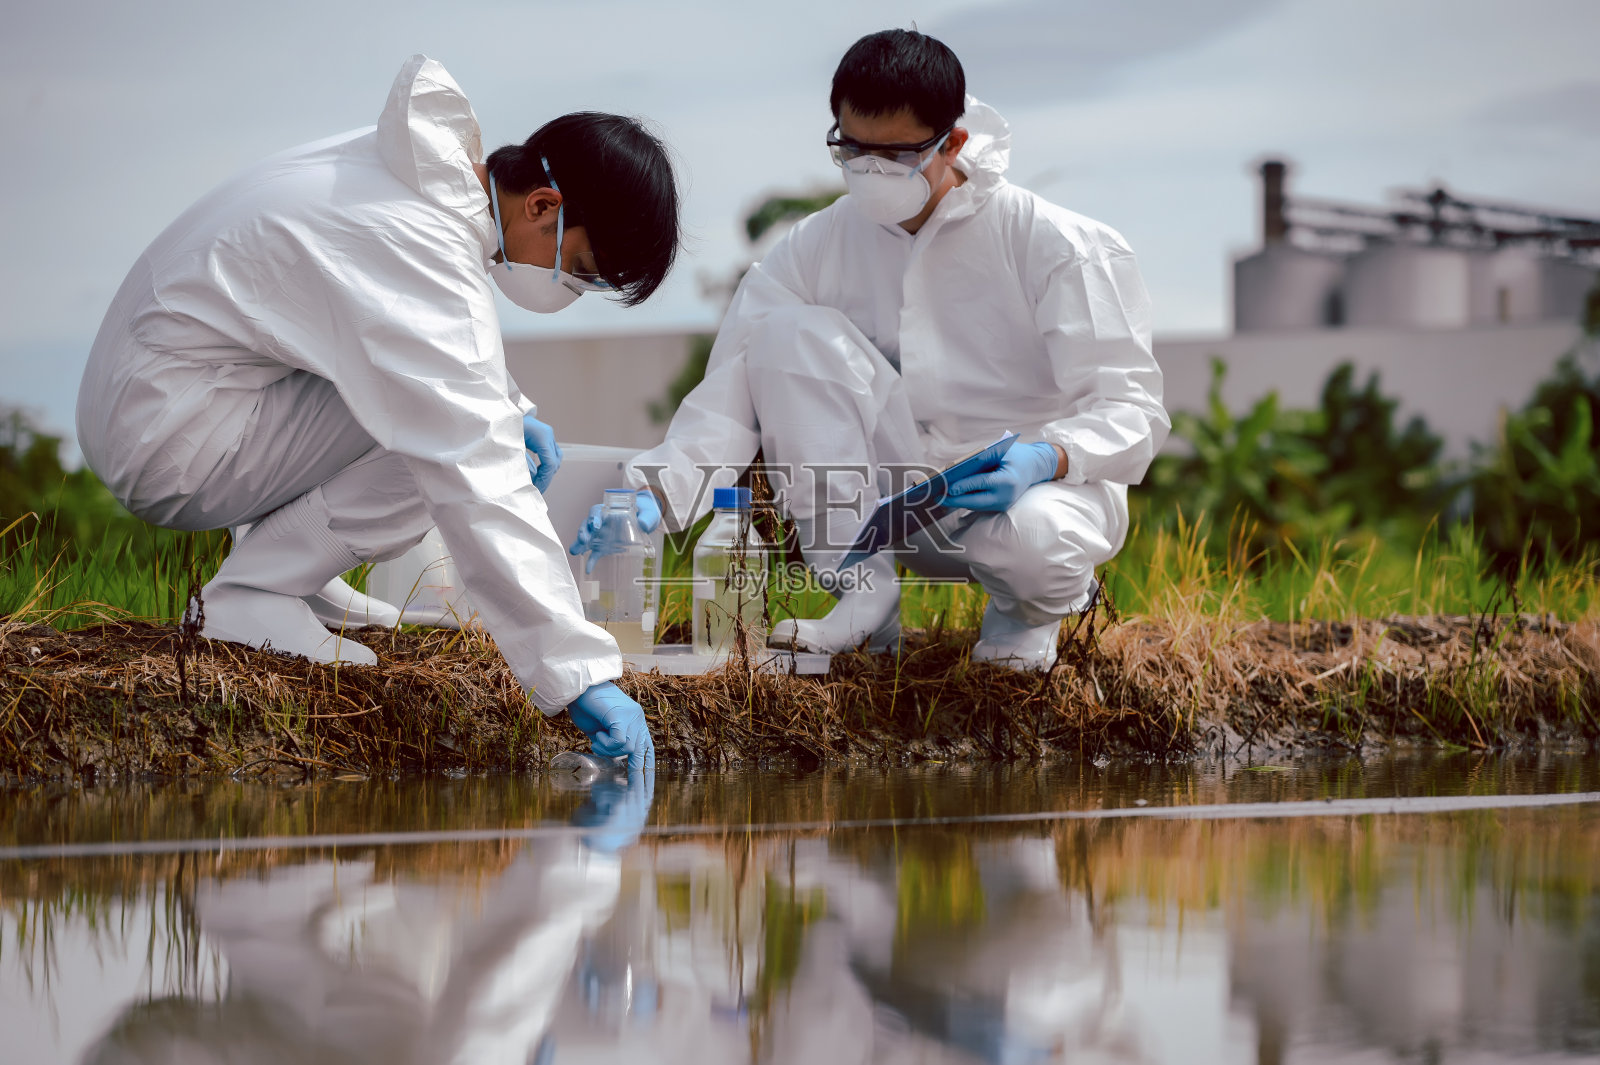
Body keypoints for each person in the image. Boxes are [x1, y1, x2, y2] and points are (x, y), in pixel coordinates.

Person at [76, 55, 667, 768]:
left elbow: (401, 331)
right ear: (542, 205)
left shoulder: (409, 181)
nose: (569, 291)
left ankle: (290, 570)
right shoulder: (425, 240)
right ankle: (256, 591)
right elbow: (469, 456)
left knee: (455, 408)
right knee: (445, 436)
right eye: (581, 271)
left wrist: (511, 408)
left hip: (168, 401)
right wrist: (581, 675)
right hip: (171, 438)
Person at [578, 29, 1168, 671]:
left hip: (1028, 496)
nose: (870, 170)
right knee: (783, 335)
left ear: (954, 142)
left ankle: (1025, 620)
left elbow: (1131, 410)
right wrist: (656, 494)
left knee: (1037, 542)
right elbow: (730, 390)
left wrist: (1047, 456)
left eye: (896, 153)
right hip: (898, 506)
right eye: (853, 149)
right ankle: (864, 598)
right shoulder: (820, 242)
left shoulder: (1057, 244)